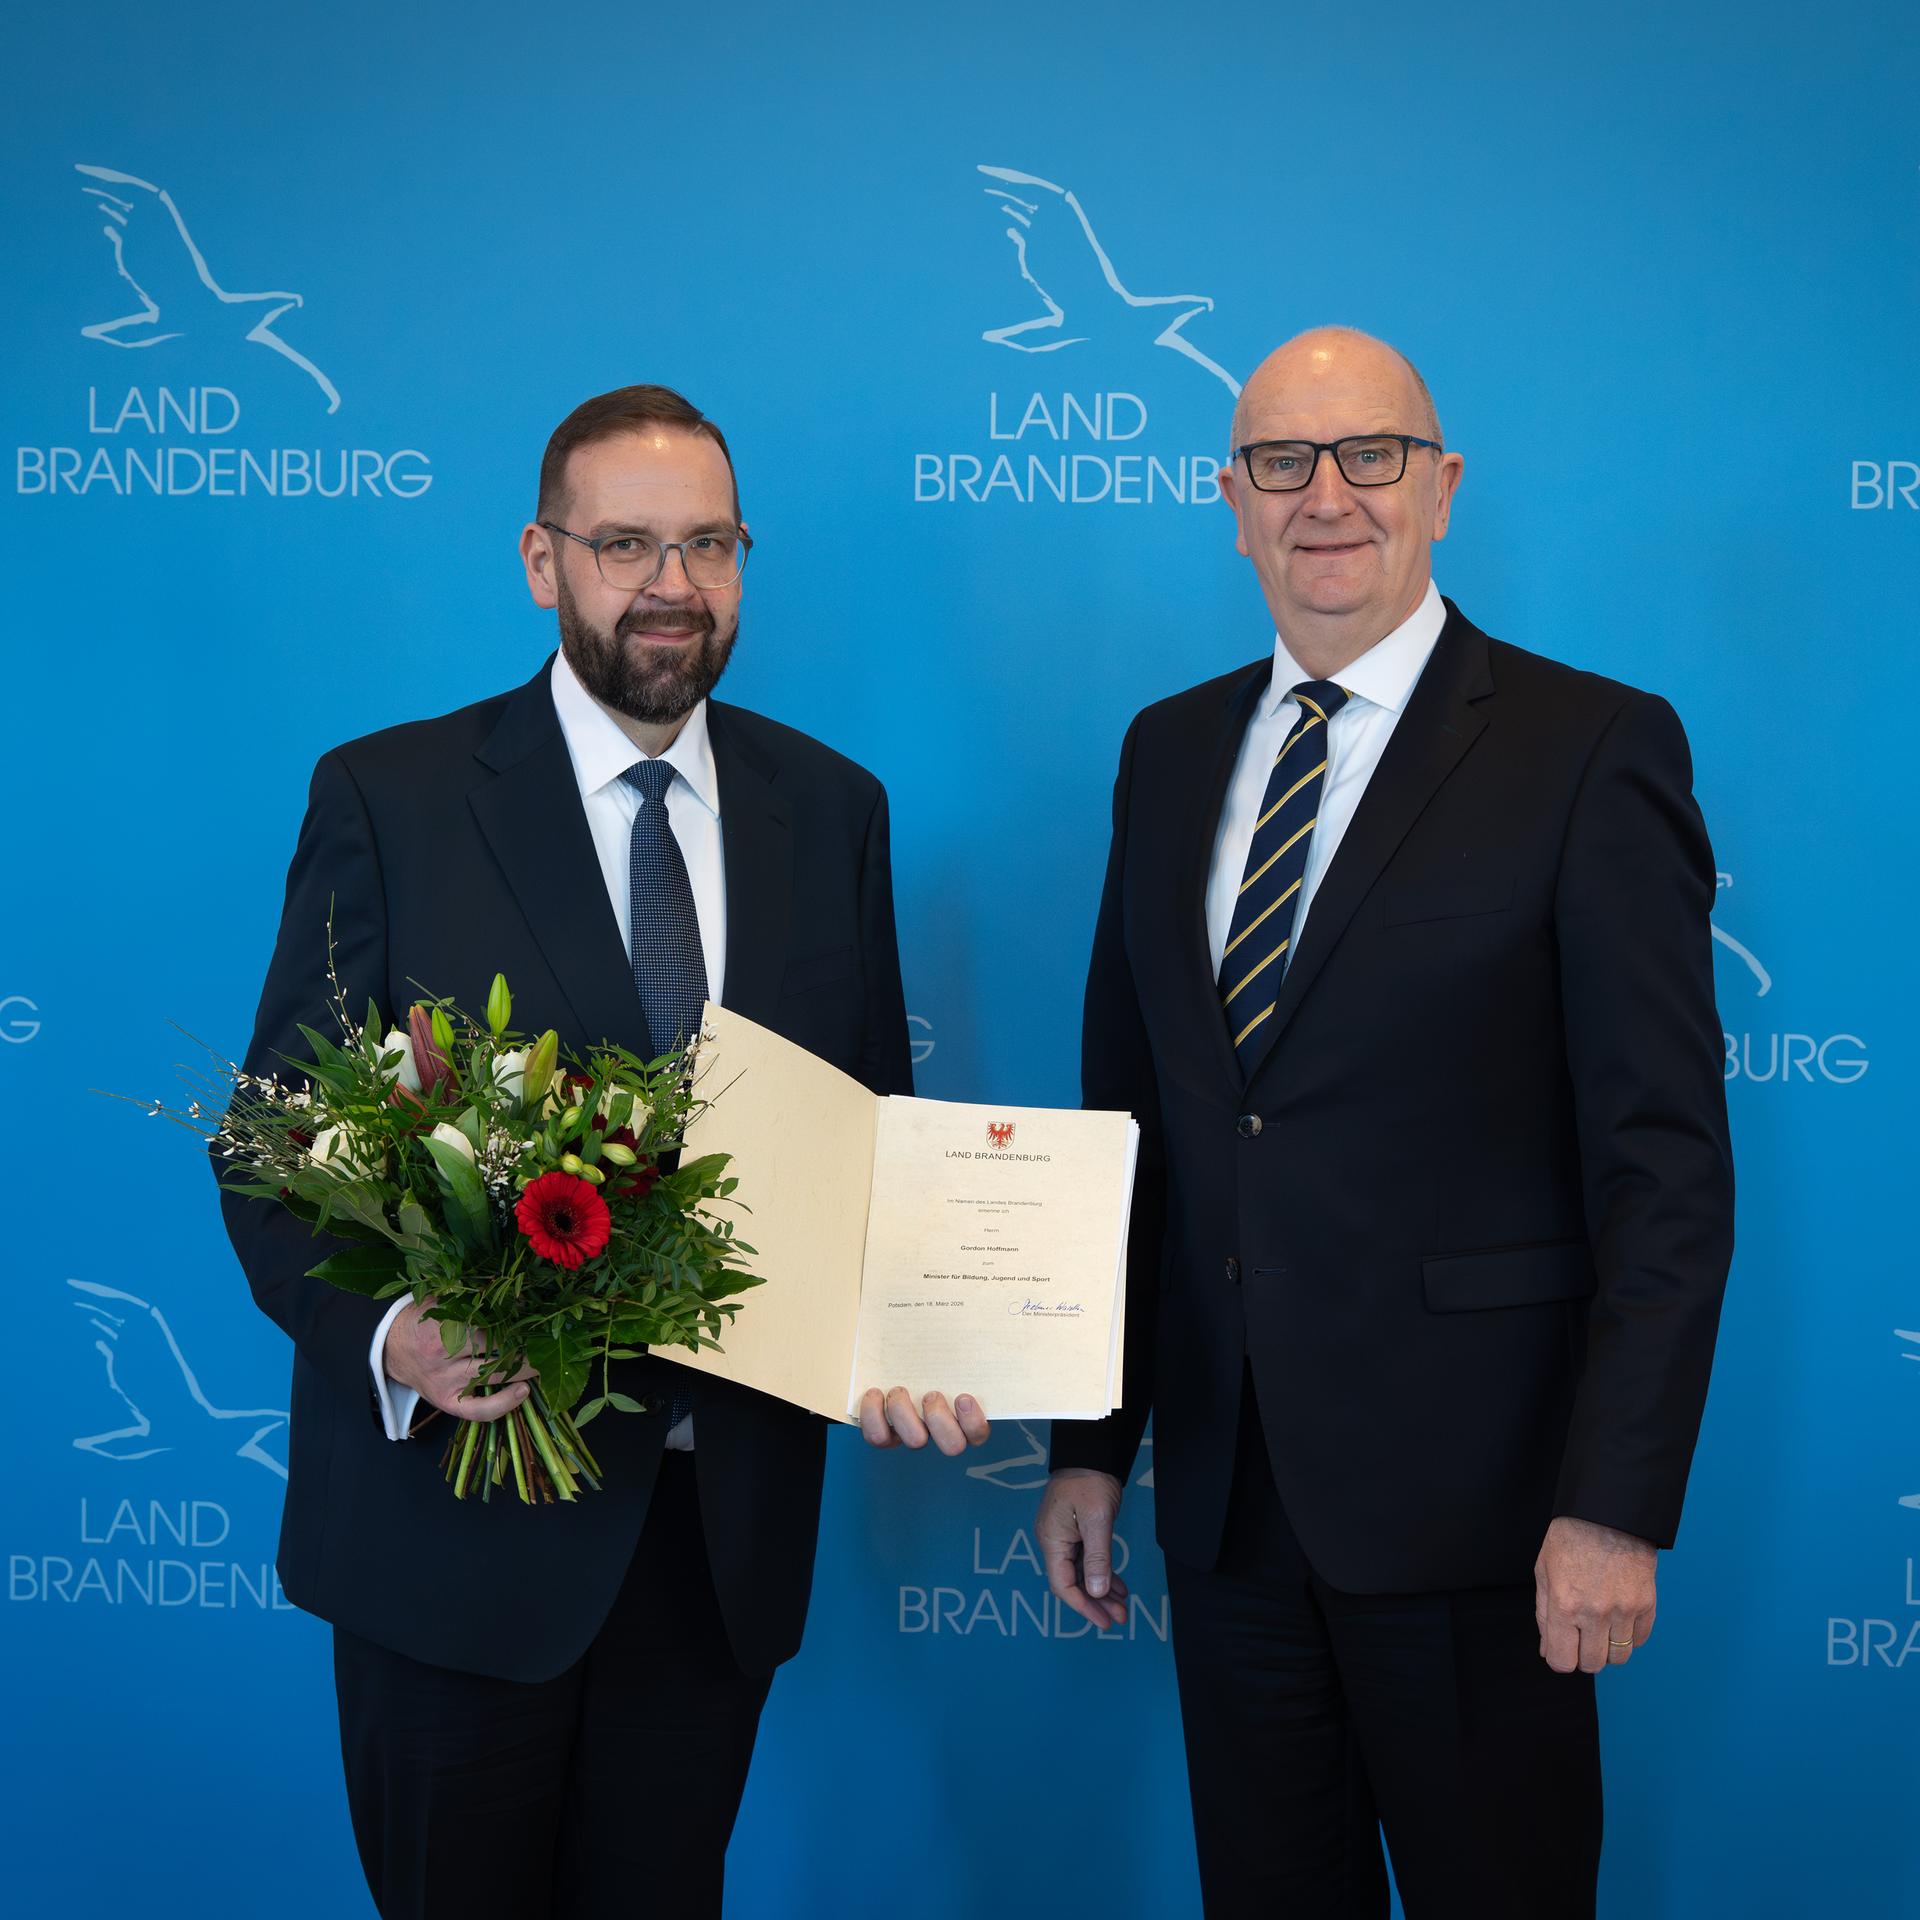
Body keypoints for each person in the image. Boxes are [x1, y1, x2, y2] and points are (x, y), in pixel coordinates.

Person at [220, 384, 986, 1920]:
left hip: (713, 1551)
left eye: (708, 544)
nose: (671, 586)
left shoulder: (832, 809)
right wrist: (392, 1332)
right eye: (625, 543)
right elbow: (274, 1139)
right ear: (539, 559)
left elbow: (872, 1138)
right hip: (454, 1545)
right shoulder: (391, 796)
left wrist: (917, 1321)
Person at [1035, 328, 1733, 1918]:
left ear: (1443, 488)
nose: (1326, 496)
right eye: (1283, 461)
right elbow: (1129, 1124)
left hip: (1488, 1517)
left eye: (1371, 456)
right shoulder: (1164, 752)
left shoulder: (1590, 749)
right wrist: (1092, 1446)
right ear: (1231, 499)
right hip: (1227, 1511)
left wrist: (1614, 1499)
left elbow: (1666, 1166)